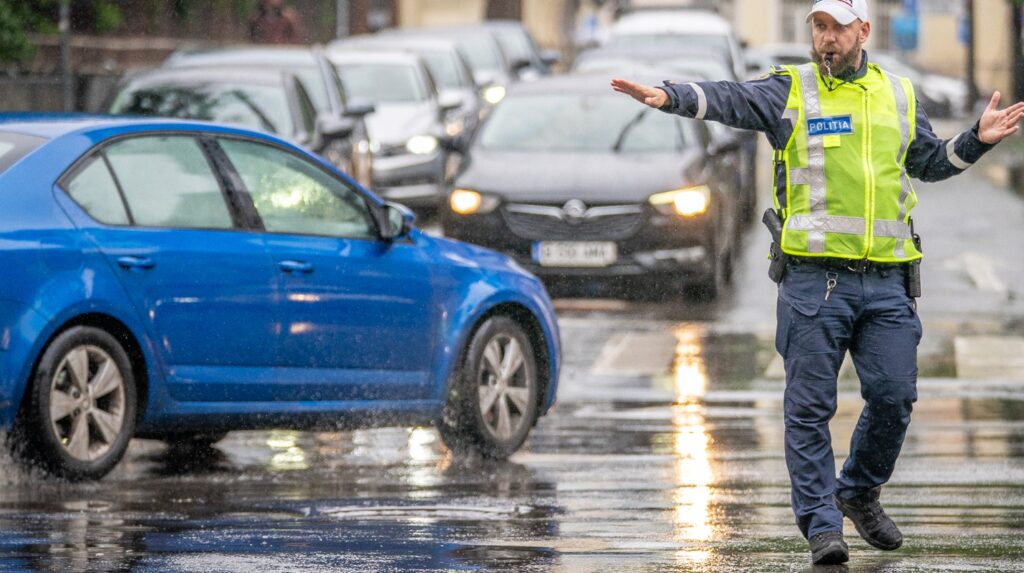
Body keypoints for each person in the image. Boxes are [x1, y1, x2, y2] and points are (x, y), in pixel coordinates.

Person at [611, 0, 1024, 565]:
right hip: (813, 282)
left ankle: (857, 490)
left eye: (836, 28)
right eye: (818, 27)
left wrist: (976, 138)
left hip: (887, 282)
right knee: (808, 409)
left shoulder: (898, 95)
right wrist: (670, 96)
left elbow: (930, 162)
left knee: (895, 397)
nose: (826, 38)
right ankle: (821, 524)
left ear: (863, 31)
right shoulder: (792, 91)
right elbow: (731, 99)